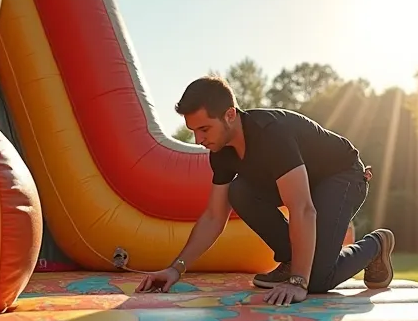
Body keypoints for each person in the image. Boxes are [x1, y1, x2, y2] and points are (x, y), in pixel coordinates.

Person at [137, 76, 395, 305]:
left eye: (204, 129)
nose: (198, 140)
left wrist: (298, 281)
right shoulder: (221, 152)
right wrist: (175, 269)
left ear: (230, 115)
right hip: (306, 186)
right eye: (194, 131)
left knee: (315, 280)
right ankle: (291, 259)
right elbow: (214, 217)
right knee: (238, 191)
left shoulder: (271, 134)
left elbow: (302, 208)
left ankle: (376, 244)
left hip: (343, 176)